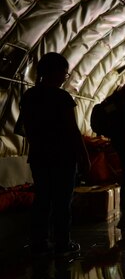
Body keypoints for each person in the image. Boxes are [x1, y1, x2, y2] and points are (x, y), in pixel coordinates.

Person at [20, 52, 90, 257]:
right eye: (64, 74)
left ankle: (39, 242)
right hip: (62, 157)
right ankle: (62, 243)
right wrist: (84, 157)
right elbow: (73, 130)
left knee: (42, 199)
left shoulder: (29, 96)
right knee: (62, 201)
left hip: (39, 156)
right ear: (56, 72)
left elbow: (27, 129)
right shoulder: (61, 97)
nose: (64, 78)